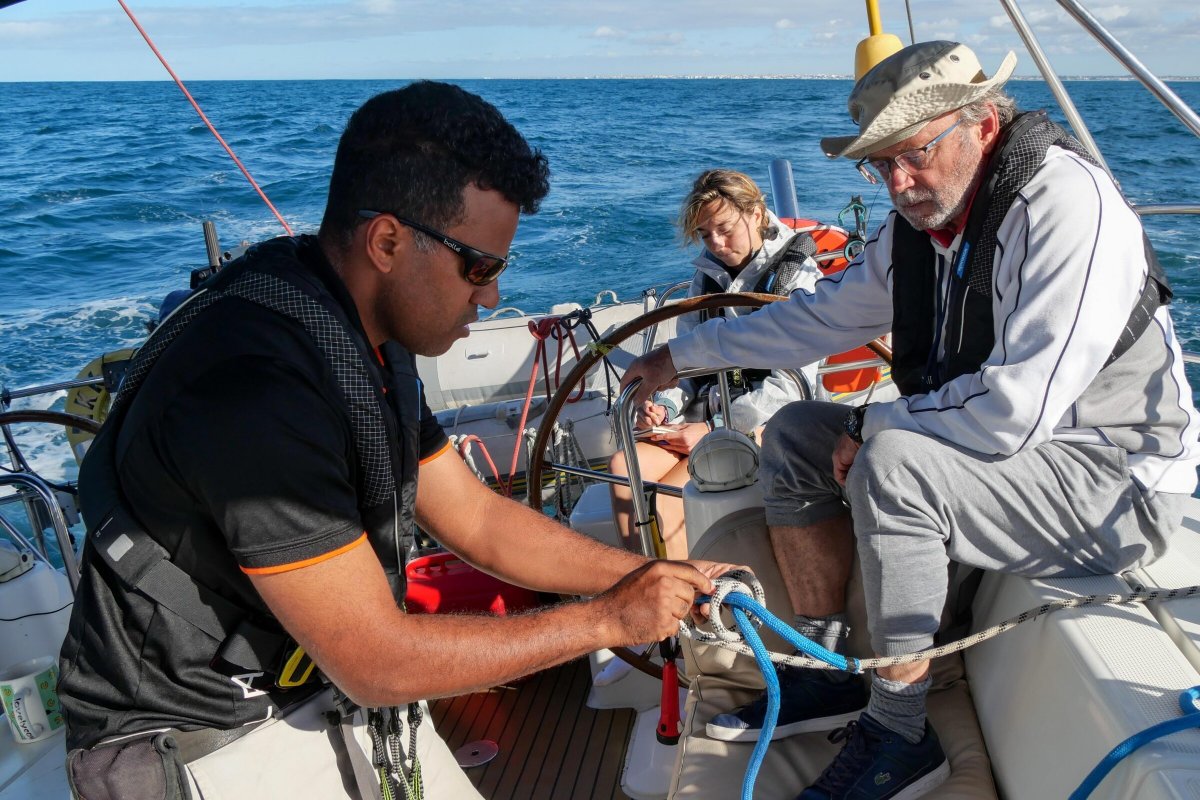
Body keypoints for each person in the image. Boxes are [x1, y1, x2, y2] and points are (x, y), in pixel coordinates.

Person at [58, 81, 735, 800]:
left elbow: (476, 519)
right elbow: (375, 658)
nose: (492, 297)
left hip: (324, 681)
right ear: (387, 241)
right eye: (479, 267)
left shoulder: (367, 341)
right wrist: (610, 619)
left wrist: (645, 576)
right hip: (199, 736)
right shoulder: (256, 390)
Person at [622, 41, 1200, 800]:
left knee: (891, 460)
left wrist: (878, 428)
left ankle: (901, 729)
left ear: (983, 125)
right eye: (879, 164)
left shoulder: (1065, 206)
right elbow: (817, 319)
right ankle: (832, 670)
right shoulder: (926, 228)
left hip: (1118, 483)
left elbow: (1012, 411)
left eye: (914, 155)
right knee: (797, 433)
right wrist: (682, 356)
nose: (898, 183)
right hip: (1027, 465)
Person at [608, 169, 821, 560]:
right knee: (624, 469)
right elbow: (686, 363)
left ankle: (685, 603)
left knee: (671, 498)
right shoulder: (706, 277)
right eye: (706, 235)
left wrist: (714, 428)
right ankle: (641, 584)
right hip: (704, 422)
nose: (717, 244)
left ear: (756, 214)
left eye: (724, 229)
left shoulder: (796, 275)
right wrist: (665, 407)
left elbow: (791, 387)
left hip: (767, 424)